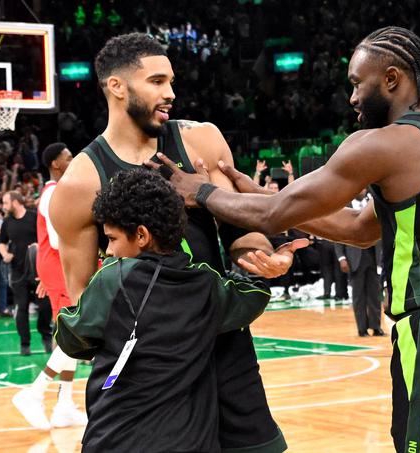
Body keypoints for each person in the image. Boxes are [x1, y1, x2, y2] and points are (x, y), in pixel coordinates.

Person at [150, 26, 420, 452]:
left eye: (356, 83)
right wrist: (259, 193)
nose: (351, 98)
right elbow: (360, 229)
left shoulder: (385, 143)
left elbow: (275, 215)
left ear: (391, 79)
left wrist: (199, 191)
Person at [50, 33, 303, 453]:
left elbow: (240, 229)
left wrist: (258, 259)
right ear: (116, 86)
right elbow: (81, 297)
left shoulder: (201, 139)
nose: (171, 93)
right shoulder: (80, 183)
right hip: (149, 375)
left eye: (170, 81)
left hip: (223, 345)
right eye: (156, 81)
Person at [56, 169, 272, 452]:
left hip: (116, 439)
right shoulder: (205, 286)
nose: (108, 251)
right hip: (190, 442)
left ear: (142, 235)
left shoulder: (113, 278)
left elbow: (71, 337)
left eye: (111, 239)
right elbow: (254, 293)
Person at [12, 142, 85, 431]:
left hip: (61, 265)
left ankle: (64, 405)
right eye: (68, 156)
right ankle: (34, 392)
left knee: (73, 333)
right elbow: (57, 240)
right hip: (59, 264)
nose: (73, 159)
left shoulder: (60, 191)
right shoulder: (53, 192)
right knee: (76, 332)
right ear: (56, 163)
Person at [0, 191, 51, 356]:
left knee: (44, 307)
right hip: (17, 272)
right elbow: (1, 242)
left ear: (15, 202)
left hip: (38, 272)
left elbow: (46, 238)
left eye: (6, 203)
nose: (4, 206)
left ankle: (46, 335)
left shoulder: (34, 217)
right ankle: (24, 343)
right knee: (21, 308)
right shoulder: (7, 222)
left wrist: (37, 245)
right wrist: (5, 254)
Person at [334, 189, 383, 336]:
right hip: (354, 258)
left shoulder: (372, 204)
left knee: (375, 295)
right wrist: (341, 258)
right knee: (358, 295)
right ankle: (361, 329)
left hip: (373, 257)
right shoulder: (344, 207)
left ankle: (376, 326)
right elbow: (338, 234)